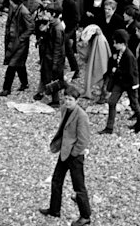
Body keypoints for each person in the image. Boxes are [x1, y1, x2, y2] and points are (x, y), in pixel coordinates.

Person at [39, 84, 91, 226]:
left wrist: (73, 153)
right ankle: (54, 210)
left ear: (77, 101)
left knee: (78, 186)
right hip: (64, 152)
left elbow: (84, 140)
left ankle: (85, 216)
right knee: (56, 180)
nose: (67, 102)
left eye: (70, 100)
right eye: (65, 99)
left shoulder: (82, 116)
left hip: (74, 156)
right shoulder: (64, 109)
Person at [99, 29, 140, 134]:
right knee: (111, 102)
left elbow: (132, 72)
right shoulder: (119, 53)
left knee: (134, 105)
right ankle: (109, 127)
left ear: (122, 43)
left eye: (116, 43)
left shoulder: (129, 56)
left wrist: (117, 70)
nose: (114, 45)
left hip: (129, 84)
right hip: (120, 82)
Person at [0, 0, 33, 96]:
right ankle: (25, 83)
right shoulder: (14, 9)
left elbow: (31, 27)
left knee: (12, 66)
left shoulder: (24, 12)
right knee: (19, 65)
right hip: (13, 42)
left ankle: (6, 88)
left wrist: (21, 38)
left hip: (20, 44)